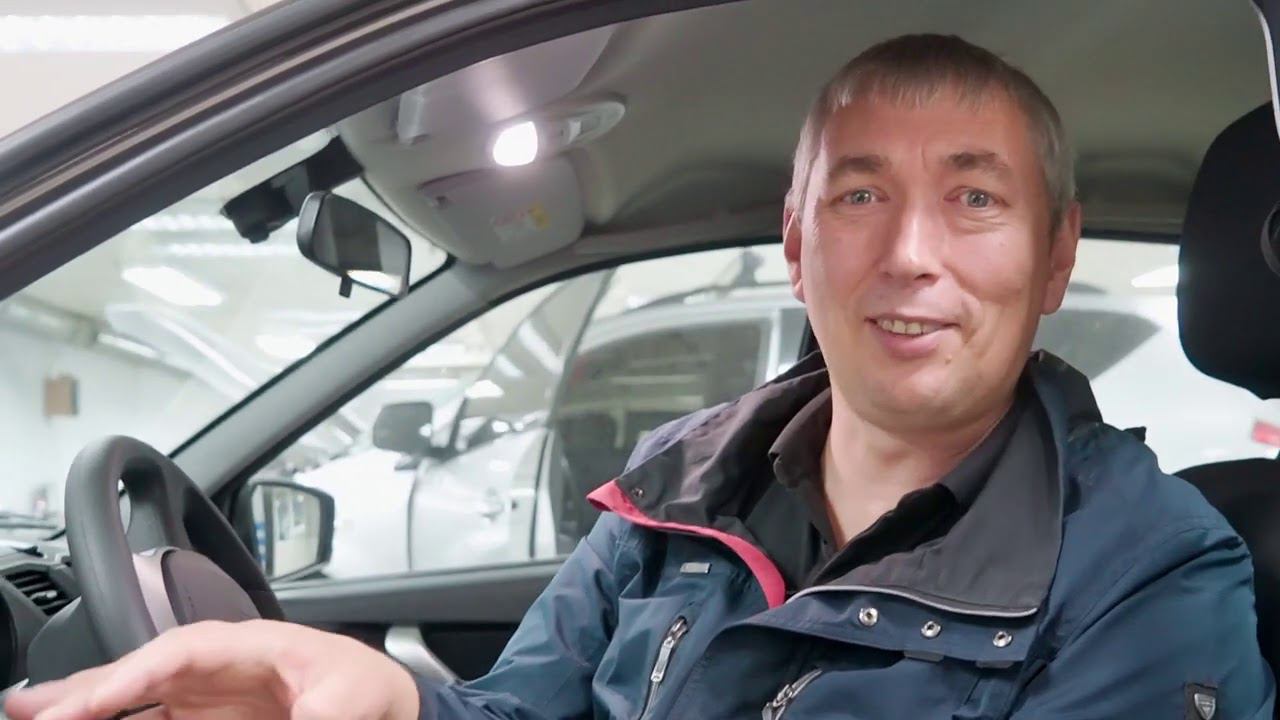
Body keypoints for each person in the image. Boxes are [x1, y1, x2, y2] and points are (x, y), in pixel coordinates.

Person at [8, 33, 1275, 720]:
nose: (908, 254)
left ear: (1053, 258)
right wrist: (395, 706)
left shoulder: (1153, 572)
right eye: (857, 196)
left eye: (975, 198)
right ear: (796, 246)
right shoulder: (678, 484)